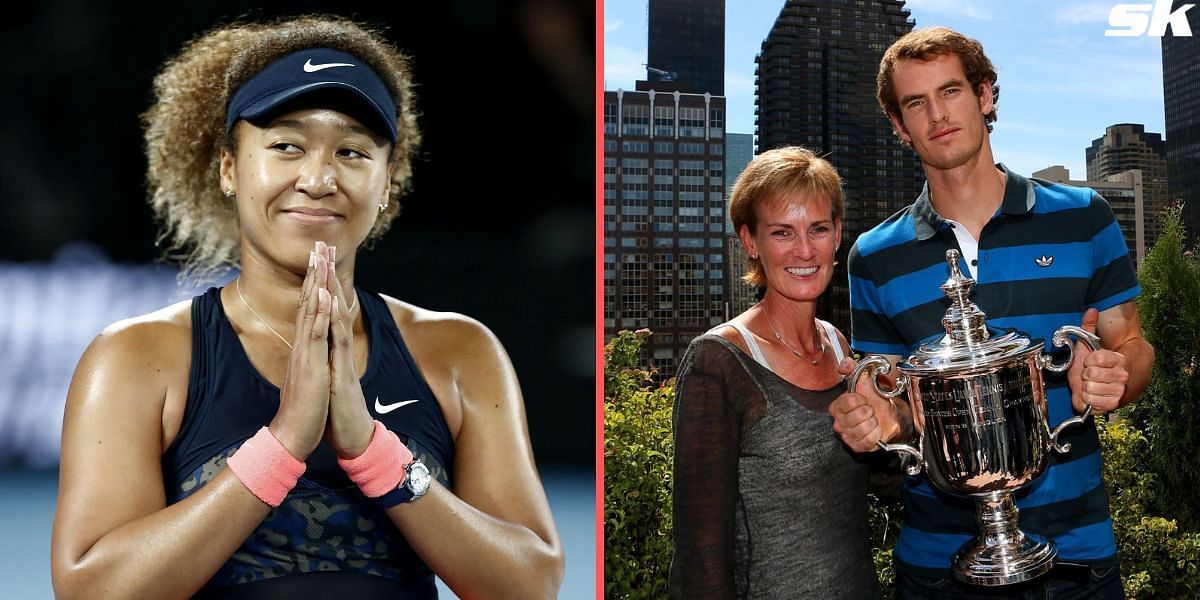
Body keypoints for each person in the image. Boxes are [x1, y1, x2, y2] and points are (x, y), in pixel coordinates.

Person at [50, 16, 563, 599]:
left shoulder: (459, 352)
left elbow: (530, 584)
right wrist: (283, 444)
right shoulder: (136, 357)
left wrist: (374, 452)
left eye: (351, 151)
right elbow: (93, 591)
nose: (318, 179)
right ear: (228, 167)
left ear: (387, 180)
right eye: (286, 146)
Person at [829, 26, 1155, 599]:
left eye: (950, 91)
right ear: (900, 128)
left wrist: (1112, 378)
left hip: (1076, 555)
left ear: (985, 96)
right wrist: (884, 422)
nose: (937, 115)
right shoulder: (873, 257)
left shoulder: (1085, 217)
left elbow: (1131, 344)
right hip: (936, 563)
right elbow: (889, 394)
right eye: (915, 103)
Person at [670, 147, 877, 599]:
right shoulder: (718, 361)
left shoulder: (840, 345)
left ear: (838, 234)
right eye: (782, 232)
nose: (804, 250)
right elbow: (699, 553)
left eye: (818, 229)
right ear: (749, 241)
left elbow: (876, 481)